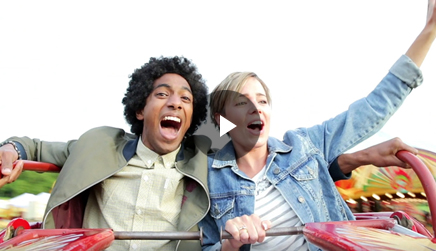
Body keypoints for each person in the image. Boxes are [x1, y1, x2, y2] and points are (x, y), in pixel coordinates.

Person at [198, 1, 436, 250]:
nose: (255, 108)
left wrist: (429, 31)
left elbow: (372, 109)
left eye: (262, 101)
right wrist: (231, 244)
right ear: (220, 119)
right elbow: (206, 245)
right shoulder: (207, 177)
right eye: (241, 102)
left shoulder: (302, 145)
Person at [0, 56, 212, 250]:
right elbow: (32, 148)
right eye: (162, 94)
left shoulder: (205, 161)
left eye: (186, 99)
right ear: (140, 110)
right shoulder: (97, 146)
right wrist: (11, 148)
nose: (175, 103)